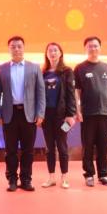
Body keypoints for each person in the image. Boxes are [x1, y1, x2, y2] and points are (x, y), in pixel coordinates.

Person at [0, 36, 46, 192]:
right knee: (10, 150)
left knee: (28, 150)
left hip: (29, 114)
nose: (16, 49)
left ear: (24, 48)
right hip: (9, 115)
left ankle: (26, 179)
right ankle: (12, 179)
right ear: (9, 49)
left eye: (19, 46)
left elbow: (41, 92)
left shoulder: (34, 67)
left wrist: (40, 113)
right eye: (13, 47)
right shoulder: (1, 68)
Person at [74, 36, 107, 187]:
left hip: (105, 113)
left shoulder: (106, 67)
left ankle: (103, 175)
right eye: (90, 46)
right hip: (88, 114)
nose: (93, 48)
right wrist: (78, 110)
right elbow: (76, 92)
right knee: (88, 146)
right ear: (85, 48)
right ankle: (89, 175)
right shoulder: (80, 68)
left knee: (103, 146)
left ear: (100, 48)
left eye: (95, 46)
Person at [40, 42, 76, 189]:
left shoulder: (67, 71)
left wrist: (71, 114)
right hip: (46, 116)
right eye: (50, 50)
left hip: (63, 116)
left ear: (60, 53)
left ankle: (64, 178)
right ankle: (51, 178)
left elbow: (71, 94)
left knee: (62, 146)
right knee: (49, 147)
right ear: (46, 54)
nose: (53, 53)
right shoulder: (42, 72)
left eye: (55, 50)